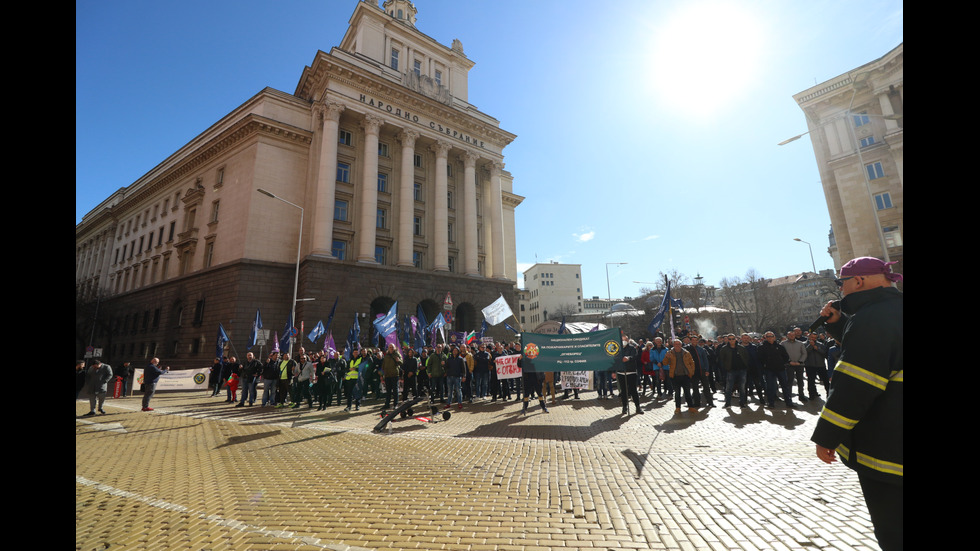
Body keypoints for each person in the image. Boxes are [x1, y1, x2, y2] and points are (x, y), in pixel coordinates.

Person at [811, 257, 903, 551]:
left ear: (859, 282)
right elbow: (885, 354)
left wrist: (827, 435)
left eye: (842, 283)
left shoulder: (871, 318)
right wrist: (842, 328)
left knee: (894, 531)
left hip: (889, 447)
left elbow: (857, 384)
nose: (841, 290)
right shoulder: (891, 311)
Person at [717, 334, 749, 408]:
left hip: (742, 370)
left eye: (733, 339)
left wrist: (745, 366)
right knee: (729, 388)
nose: (731, 340)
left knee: (742, 388)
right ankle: (728, 403)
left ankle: (742, 403)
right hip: (731, 371)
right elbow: (721, 359)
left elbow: (746, 357)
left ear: (736, 339)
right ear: (727, 340)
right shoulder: (724, 349)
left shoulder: (741, 348)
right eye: (730, 339)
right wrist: (725, 369)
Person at [663, 339, 695, 413]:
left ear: (681, 345)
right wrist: (666, 357)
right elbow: (664, 363)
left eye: (679, 344)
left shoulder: (686, 353)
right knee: (677, 393)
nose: (677, 345)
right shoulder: (669, 353)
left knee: (687, 392)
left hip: (685, 375)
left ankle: (691, 407)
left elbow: (692, 363)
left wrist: (691, 372)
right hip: (675, 376)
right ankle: (678, 408)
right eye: (676, 344)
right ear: (673, 345)